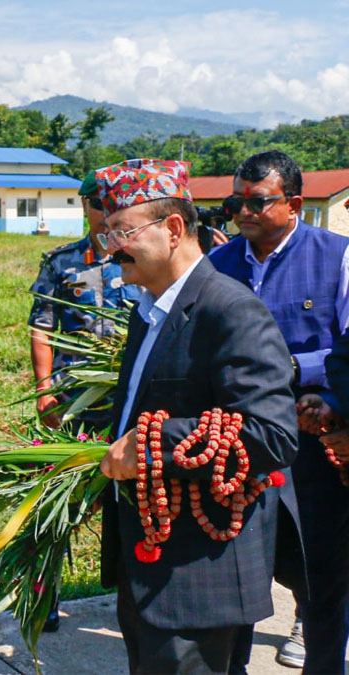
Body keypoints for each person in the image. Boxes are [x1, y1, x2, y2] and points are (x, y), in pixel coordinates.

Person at [95, 158, 299, 674]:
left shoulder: (229, 310)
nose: (110, 250)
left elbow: (271, 435)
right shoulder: (150, 310)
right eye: (106, 235)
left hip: (198, 576)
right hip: (150, 566)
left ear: (173, 229)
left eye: (121, 233)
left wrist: (147, 446)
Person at [209, 149, 349, 672]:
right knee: (237, 574)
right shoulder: (216, 265)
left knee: (321, 574)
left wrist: (327, 397)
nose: (243, 212)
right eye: (235, 202)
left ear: (293, 204)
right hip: (238, 444)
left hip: (314, 440)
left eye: (258, 202)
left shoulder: (336, 256)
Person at [30, 170, 142, 431]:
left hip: (128, 386)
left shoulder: (142, 261)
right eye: (97, 204)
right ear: (83, 205)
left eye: (113, 205)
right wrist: (44, 390)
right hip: (74, 390)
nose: (105, 213)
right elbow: (42, 329)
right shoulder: (60, 262)